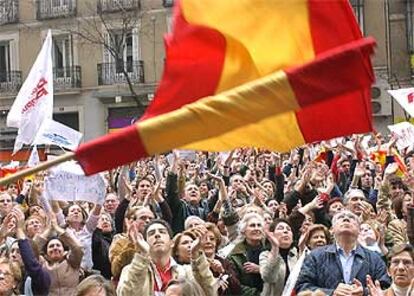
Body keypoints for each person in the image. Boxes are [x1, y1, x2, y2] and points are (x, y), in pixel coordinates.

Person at [295, 210, 391, 295]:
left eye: (351, 218)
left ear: (359, 230)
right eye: (340, 217)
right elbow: (302, 286)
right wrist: (331, 293)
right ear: (332, 229)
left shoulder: (375, 258)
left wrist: (365, 292)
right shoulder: (315, 256)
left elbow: (386, 288)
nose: (346, 219)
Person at [117, 219, 216, 296]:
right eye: (151, 234)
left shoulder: (187, 272)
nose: (157, 235)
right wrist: (143, 254)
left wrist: (195, 254)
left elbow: (210, 292)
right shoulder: (131, 270)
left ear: (172, 243)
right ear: (145, 243)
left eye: (162, 232)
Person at [227, 213, 268, 296]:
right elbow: (235, 284)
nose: (256, 228)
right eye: (252, 225)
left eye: (259, 225)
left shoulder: (270, 249)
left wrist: (261, 270)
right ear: (243, 231)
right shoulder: (234, 255)